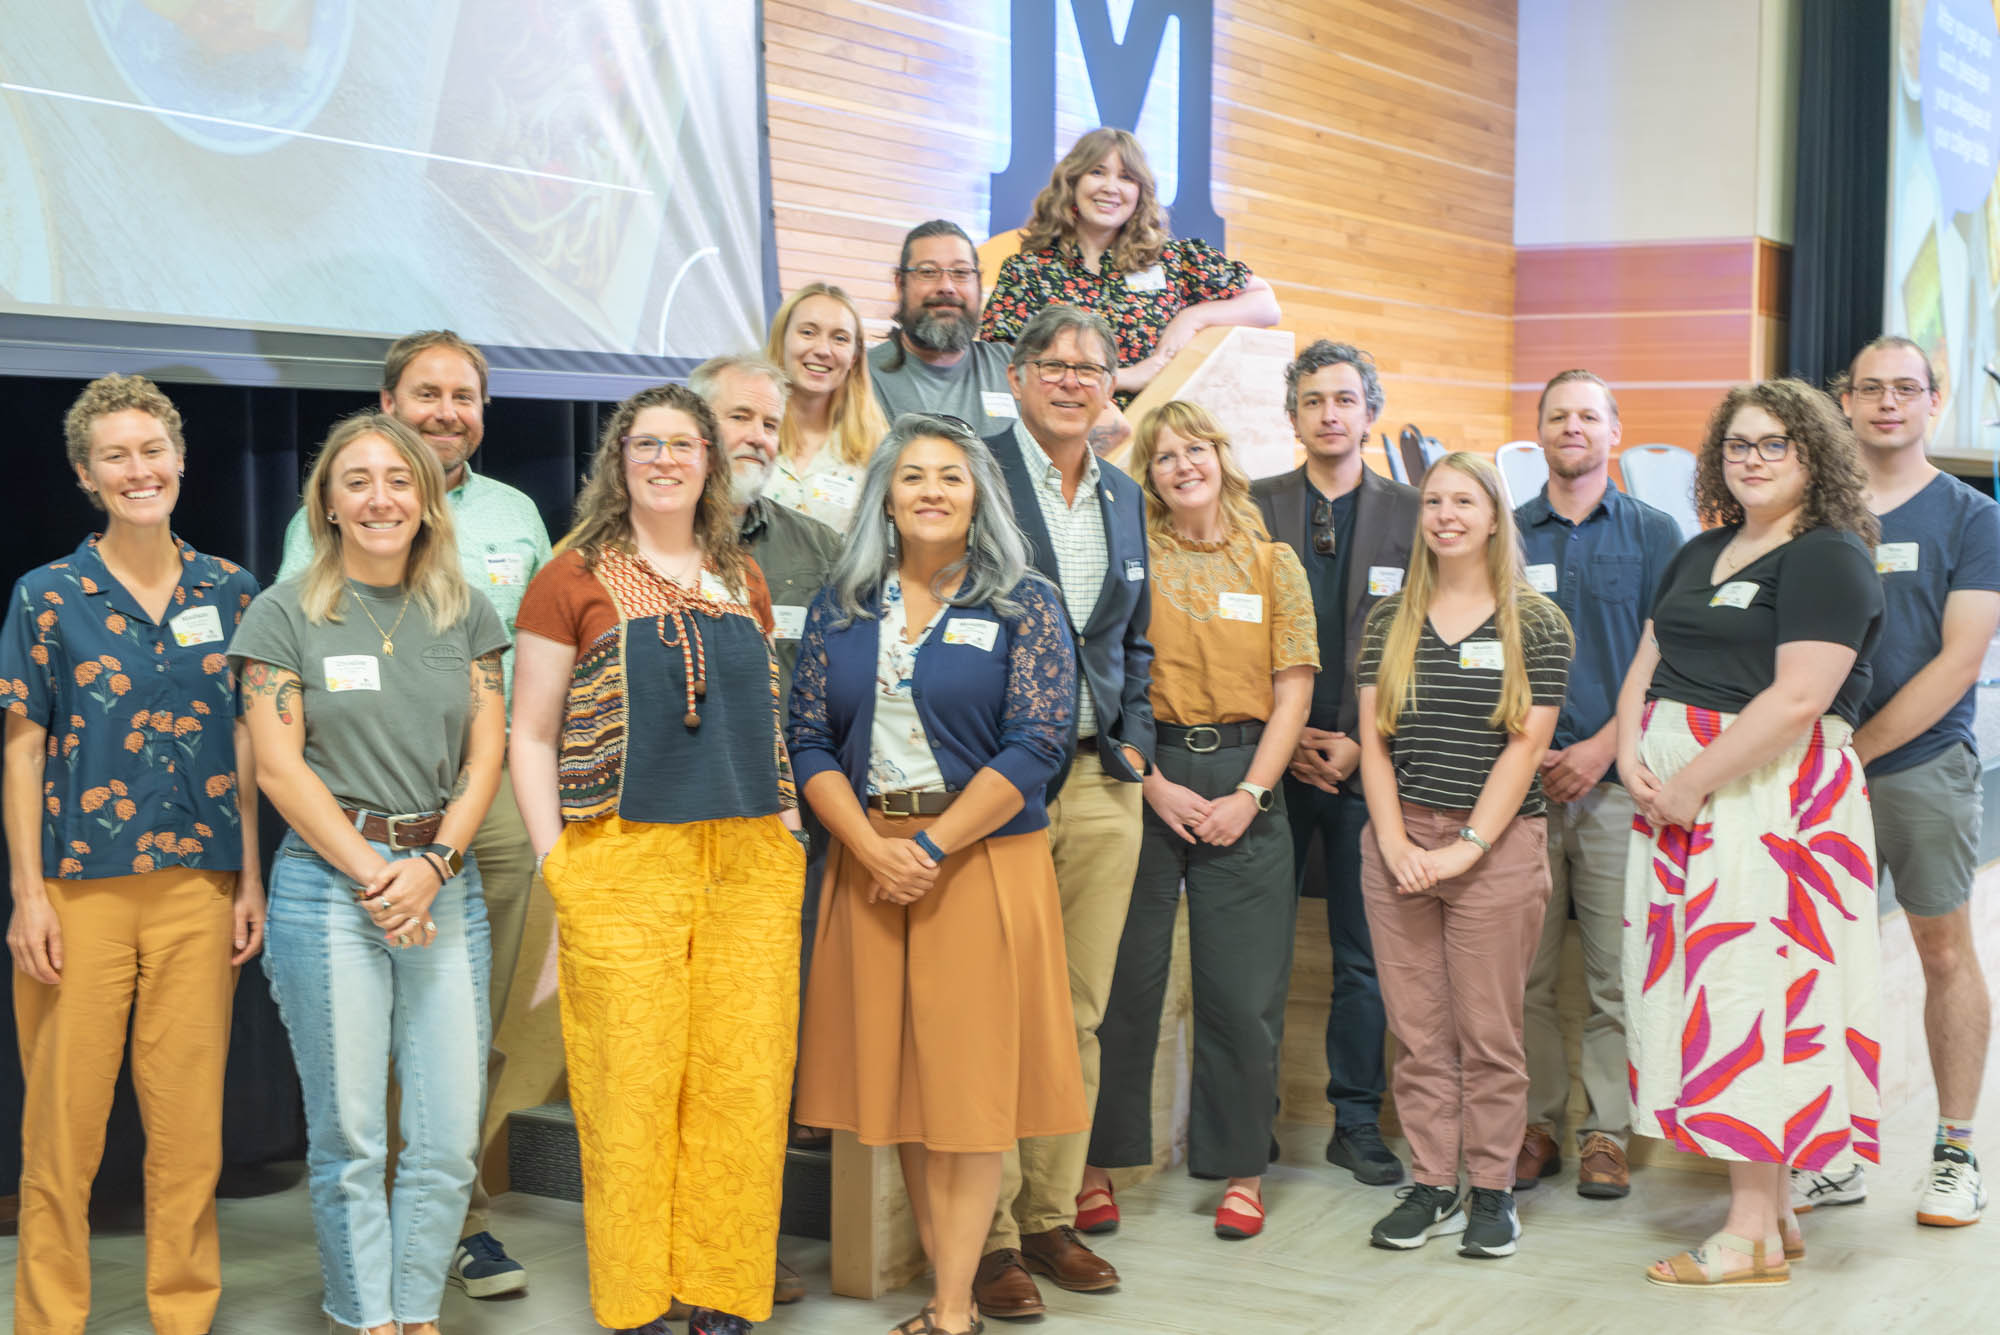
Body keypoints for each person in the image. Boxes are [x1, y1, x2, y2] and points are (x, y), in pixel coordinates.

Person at [510, 383, 804, 1335]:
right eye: (647, 444)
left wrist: (789, 830)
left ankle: (719, 1290)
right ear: (619, 460)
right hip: (624, 860)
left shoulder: (740, 575)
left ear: (710, 462)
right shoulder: (571, 577)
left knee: (741, 1082)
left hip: (748, 860)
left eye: (684, 444)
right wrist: (559, 863)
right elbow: (529, 732)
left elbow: (765, 724)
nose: (665, 460)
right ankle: (636, 1297)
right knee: (626, 1086)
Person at [790, 413, 1087, 1335]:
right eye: (913, 474)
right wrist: (866, 844)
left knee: (965, 1097)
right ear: (884, 494)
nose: (930, 490)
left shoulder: (1023, 603)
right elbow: (807, 737)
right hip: (867, 862)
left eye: (951, 476)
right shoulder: (843, 605)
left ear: (979, 496)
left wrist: (927, 849)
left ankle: (953, 1309)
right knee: (909, 1097)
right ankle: (944, 1297)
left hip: (976, 862)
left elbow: (1038, 742)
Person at [276, 328, 551, 1298]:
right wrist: (386, 859)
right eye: (426, 393)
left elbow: (539, 659)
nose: (446, 411)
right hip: (362, 809)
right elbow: (297, 664)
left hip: (490, 797)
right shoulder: (325, 523)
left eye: (463, 396)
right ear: (388, 404)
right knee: (372, 1028)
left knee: (477, 1025)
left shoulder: (517, 513)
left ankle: (452, 1213)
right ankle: (405, 1239)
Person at [233, 411, 509, 1335]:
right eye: (357, 480)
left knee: (446, 1136)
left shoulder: (467, 611)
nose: (379, 498)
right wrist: (379, 877)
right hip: (327, 886)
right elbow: (279, 769)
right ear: (327, 503)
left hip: (444, 882)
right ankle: (366, 1319)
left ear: (426, 500)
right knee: (350, 1137)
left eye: (398, 480)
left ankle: (417, 1312)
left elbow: (486, 755)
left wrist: (432, 864)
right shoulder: (282, 614)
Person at [2, 374, 264, 1335]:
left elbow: (249, 741)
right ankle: (48, 1319)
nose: (138, 469)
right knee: (61, 1129)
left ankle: (183, 1314)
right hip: (79, 892)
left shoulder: (231, 589)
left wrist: (250, 877)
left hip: (201, 887)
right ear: (86, 474)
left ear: (181, 461)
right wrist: (28, 896)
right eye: (115, 455)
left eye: (153, 450)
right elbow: (22, 748)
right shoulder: (46, 595)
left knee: (189, 1128)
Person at [1617, 379, 1883, 1288]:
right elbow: (1649, 659)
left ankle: (1747, 1234)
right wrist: (1631, 756)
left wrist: (1690, 783)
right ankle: (1772, 1219)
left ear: (1815, 454)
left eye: (1775, 443)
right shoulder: (1701, 549)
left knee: (1756, 1002)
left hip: (1769, 806)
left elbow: (1800, 698)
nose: (1753, 458)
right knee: (1717, 997)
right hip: (1679, 808)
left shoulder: (1828, 556)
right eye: (1738, 443)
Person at [1082, 402, 1314, 1242]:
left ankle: (1242, 1170)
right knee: (1123, 988)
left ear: (1222, 456)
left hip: (1248, 780)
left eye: (1196, 449)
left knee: (1242, 997)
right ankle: (1097, 1166)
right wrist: (1152, 786)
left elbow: (1294, 690)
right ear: (1148, 474)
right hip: (1147, 776)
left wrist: (1250, 792)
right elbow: (1106, 680)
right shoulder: (1131, 558)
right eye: (1165, 455)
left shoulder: (1273, 561)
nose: (1184, 465)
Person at [1786, 337, 1996, 1228]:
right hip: (1811, 770)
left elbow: (1959, 661)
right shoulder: (1810, 512)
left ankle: (1956, 1153)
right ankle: (1831, 1151)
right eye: (1869, 388)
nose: (1887, 403)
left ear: (1932, 402)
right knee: (1821, 962)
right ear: (1844, 401)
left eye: (1906, 389)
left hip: (1917, 766)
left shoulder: (1971, 517)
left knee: (1943, 953)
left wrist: (1856, 751)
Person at [973, 304, 1154, 1319]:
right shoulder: (978, 475)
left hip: (1101, 783)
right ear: (1018, 375)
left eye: (1091, 366)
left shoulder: (1123, 494)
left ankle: (1049, 1216)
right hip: (1001, 785)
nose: (1073, 379)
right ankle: (991, 1234)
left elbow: (1131, 636)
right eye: (1054, 363)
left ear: (1111, 384)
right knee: (998, 1013)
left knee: (1077, 1014)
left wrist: (1137, 739)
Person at [1354, 452, 1571, 1261]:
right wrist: (1395, 842)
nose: (1446, 515)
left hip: (1498, 847)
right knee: (1418, 1033)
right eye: (1433, 501)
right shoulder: (1389, 619)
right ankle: (1432, 1181)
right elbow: (1374, 744)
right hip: (1399, 844)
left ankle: (1492, 1190)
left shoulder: (1537, 621)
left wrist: (1465, 848)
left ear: (1492, 518)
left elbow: (1527, 747)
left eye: (1464, 502)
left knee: (1489, 1035)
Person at [693, 350, 842, 1311]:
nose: (754, 436)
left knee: (763, 1046)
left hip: (790, 835)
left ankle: (752, 1236)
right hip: (671, 833)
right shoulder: (637, 544)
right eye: (737, 417)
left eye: (766, 424)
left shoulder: (815, 550)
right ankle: (683, 1242)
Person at [1252, 339, 1418, 1187]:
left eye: (1345, 399)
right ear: (1293, 416)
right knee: (1258, 952)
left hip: (1369, 761)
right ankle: (1248, 1118)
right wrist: (1282, 743)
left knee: (1363, 954)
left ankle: (1355, 1120)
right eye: (1313, 400)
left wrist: (1361, 738)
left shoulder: (1413, 512)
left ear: (1369, 413)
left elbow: (1422, 638)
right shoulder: (1253, 505)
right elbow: (1229, 632)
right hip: (1267, 763)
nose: (1329, 414)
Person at [1514, 370, 1683, 1200]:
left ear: (1616, 430)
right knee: (1526, 973)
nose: (1572, 427)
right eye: (1558, 416)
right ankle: (1536, 1124)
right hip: (1521, 789)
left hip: (1619, 787)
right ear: (1539, 430)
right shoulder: (1505, 532)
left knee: (1618, 974)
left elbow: (1672, 663)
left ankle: (1606, 1133)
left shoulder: (1656, 533)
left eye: (1588, 415)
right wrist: (1536, 753)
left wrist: (1599, 749)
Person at [979, 127, 1279, 402]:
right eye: (1097, 172)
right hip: (1058, 431)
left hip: (1151, 432)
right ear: (1072, 182)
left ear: (1140, 191)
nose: (1111, 187)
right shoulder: (1027, 271)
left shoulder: (1173, 262)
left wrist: (1192, 318)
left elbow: (1265, 304)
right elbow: (1004, 366)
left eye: (1126, 177)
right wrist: (1124, 377)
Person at [870, 220, 1023, 438]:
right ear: (900, 284)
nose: (946, 287)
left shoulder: (1010, 367)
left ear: (978, 284)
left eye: (960, 272)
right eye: (928, 272)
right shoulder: (864, 377)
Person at [761, 282, 892, 531]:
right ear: (781, 341)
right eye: (808, 332)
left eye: (840, 338)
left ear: (854, 357)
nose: (823, 350)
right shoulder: (745, 433)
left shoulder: (878, 450)